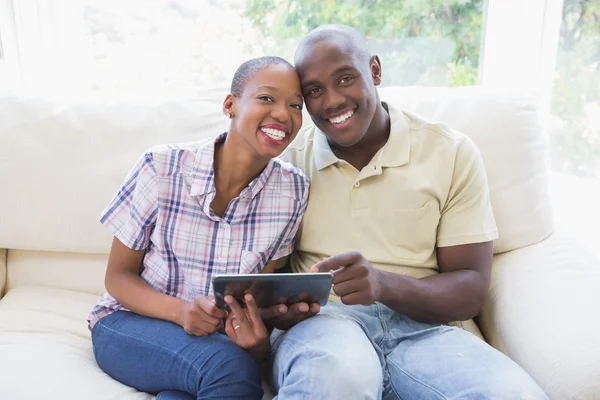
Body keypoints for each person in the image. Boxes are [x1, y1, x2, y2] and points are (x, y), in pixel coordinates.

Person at [265, 25, 549, 399]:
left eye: (345, 78)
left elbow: (470, 289)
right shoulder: (287, 163)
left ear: (376, 71)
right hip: (325, 323)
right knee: (336, 380)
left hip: (425, 329)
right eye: (314, 90)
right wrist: (278, 310)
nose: (332, 100)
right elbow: (267, 277)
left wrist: (382, 284)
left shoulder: (450, 152)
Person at [88, 56, 309, 400]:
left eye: (296, 105)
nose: (283, 114)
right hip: (129, 324)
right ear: (230, 105)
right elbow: (117, 278)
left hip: (213, 343)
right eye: (267, 98)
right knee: (231, 370)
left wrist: (257, 339)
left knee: (210, 377)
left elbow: (254, 295)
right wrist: (181, 312)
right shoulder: (161, 166)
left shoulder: (294, 191)